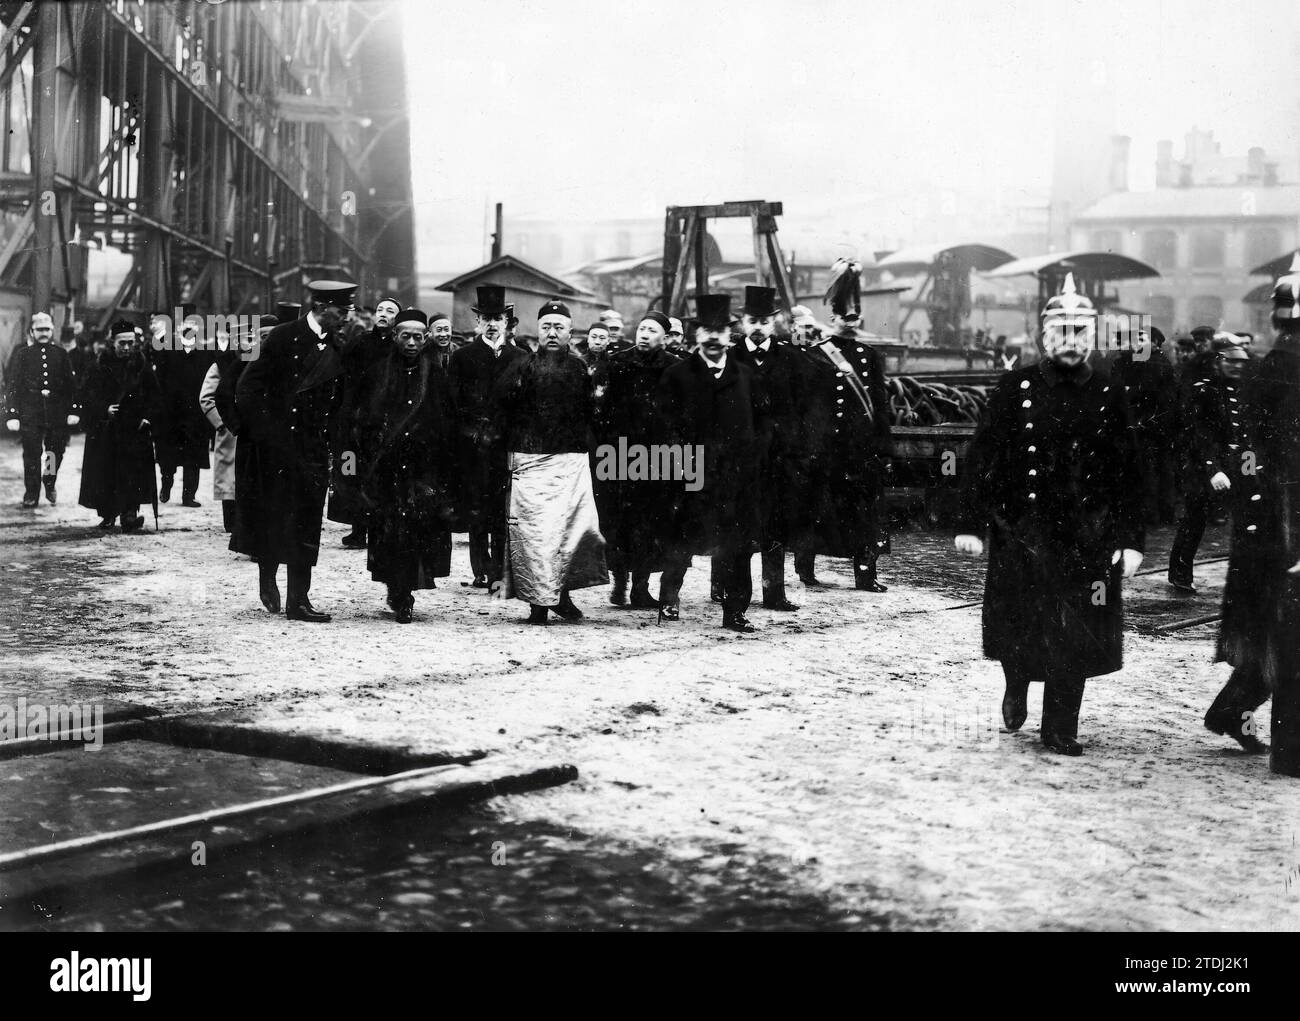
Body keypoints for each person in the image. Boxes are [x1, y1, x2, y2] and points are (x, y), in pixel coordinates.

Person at [955, 274, 1145, 755]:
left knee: (1077, 631)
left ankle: (1059, 727)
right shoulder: (1014, 385)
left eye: (1081, 331)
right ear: (1044, 335)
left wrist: (1131, 538)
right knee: (1018, 625)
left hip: (1086, 535)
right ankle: (1016, 680)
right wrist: (970, 522)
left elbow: (1131, 470)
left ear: (1093, 335)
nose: (1071, 340)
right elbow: (983, 456)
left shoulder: (1108, 391)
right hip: (1023, 530)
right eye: (1061, 331)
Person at [1209, 259, 1300, 763]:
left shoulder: (1271, 366)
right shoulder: (1283, 369)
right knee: (1277, 632)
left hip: (1265, 520)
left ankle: (1232, 712)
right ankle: (1236, 714)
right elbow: (1260, 453)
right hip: (1278, 523)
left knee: (1271, 631)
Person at [230, 280, 353, 622]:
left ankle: (299, 600)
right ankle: (267, 576)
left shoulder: (338, 346)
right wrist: (267, 434)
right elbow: (247, 387)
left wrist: (333, 443)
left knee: (307, 523)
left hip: (312, 448)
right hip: (275, 448)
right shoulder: (281, 337)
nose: (345, 318)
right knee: (272, 519)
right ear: (319, 306)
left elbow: (340, 400)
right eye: (340, 311)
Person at [656, 294, 767, 632]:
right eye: (707, 330)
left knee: (737, 547)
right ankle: (669, 598)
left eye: (720, 331)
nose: (714, 337)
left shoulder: (746, 377)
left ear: (730, 335)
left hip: (735, 479)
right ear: (696, 335)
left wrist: (751, 462)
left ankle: (735, 611)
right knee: (681, 542)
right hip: (690, 473)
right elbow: (663, 424)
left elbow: (764, 425)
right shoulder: (677, 375)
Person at [493, 299, 607, 623]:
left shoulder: (581, 369)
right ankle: (538, 605)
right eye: (547, 327)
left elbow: (592, 415)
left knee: (569, 532)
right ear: (537, 331)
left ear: (571, 332)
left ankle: (562, 597)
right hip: (530, 460)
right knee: (534, 535)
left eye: (559, 327)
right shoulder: (521, 367)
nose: (553, 333)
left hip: (570, 461)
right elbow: (503, 410)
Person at [353, 308, 456, 624]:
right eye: (405, 336)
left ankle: (406, 592)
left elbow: (446, 421)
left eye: (417, 337)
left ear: (425, 339)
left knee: (416, 532)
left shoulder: (436, 375)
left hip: (422, 471)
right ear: (394, 336)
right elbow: (363, 419)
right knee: (390, 532)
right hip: (386, 468)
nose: (411, 342)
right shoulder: (377, 373)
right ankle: (397, 591)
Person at [797, 259, 892, 591]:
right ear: (832, 318)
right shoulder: (817, 354)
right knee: (816, 508)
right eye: (845, 317)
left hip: (859, 449)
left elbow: (880, 406)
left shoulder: (870, 356)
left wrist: (883, 447)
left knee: (864, 514)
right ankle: (805, 567)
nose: (851, 322)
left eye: (856, 317)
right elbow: (806, 405)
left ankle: (866, 574)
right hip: (824, 448)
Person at [447, 284, 528, 588]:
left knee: (503, 507)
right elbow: (453, 403)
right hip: (474, 443)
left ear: (507, 323)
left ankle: (500, 569)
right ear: (477, 322)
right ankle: (480, 569)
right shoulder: (463, 357)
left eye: (498, 318)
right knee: (477, 504)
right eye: (486, 318)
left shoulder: (520, 357)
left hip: (507, 443)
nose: (492, 324)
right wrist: (470, 432)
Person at [597, 311, 678, 608]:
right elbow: (602, 409)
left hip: (656, 456)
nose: (644, 334)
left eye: (652, 330)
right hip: (618, 454)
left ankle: (640, 587)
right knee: (619, 520)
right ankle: (619, 582)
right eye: (641, 328)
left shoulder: (674, 368)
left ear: (665, 338)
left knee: (648, 522)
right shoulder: (617, 363)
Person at [730, 285, 802, 611]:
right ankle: (725, 589)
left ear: (773, 322)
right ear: (742, 322)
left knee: (775, 525)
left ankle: (774, 593)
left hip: (778, 458)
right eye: (751, 320)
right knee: (735, 525)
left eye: (764, 320)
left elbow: (802, 406)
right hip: (741, 459)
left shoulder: (791, 357)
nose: (758, 327)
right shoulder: (730, 357)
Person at [1167, 336, 1251, 592]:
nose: (1236, 367)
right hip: (1203, 468)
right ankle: (1180, 574)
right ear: (1218, 361)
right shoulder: (1204, 391)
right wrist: (1213, 470)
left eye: (1240, 362)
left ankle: (1245, 580)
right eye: (1230, 361)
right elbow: (1199, 435)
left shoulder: (1247, 390)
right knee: (1195, 519)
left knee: (1249, 520)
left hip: (1239, 464)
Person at [331, 295, 401, 548]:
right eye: (380, 309)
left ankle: (380, 530)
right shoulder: (359, 343)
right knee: (354, 474)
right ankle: (358, 529)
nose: (383, 313)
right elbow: (342, 380)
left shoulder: (399, 347)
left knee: (381, 476)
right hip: (357, 421)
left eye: (390, 311)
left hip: (386, 422)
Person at [77, 321, 160, 531]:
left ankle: (130, 515)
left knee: (132, 473)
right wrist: (103, 409)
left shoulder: (142, 365)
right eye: (122, 343)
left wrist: (147, 418)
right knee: (106, 473)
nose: (126, 347)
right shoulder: (98, 365)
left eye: (130, 343)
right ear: (112, 342)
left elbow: (155, 395)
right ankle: (107, 514)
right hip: (107, 430)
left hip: (134, 429)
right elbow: (86, 395)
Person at [5, 312, 79, 507]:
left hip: (56, 412)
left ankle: (49, 479)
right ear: (32, 331)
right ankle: (31, 492)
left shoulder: (61, 354)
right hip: (31, 411)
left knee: (55, 452)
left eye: (47, 329)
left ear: (52, 331)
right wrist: (12, 414)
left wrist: (73, 410)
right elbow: (13, 386)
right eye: (39, 330)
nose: (43, 333)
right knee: (31, 452)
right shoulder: (22, 354)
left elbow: (72, 386)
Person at [1112, 325, 1178, 524]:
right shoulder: (1143, 360)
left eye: (1142, 339)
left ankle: (1153, 514)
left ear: (1155, 343)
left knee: (1151, 470)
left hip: (1151, 425)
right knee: (1158, 469)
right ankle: (1162, 513)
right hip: (1153, 425)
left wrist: (1129, 390)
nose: (1137, 343)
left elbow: (1150, 393)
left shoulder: (1155, 363)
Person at [153, 309, 214, 507]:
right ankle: (166, 483)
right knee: (168, 456)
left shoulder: (205, 354)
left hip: (195, 415)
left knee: (193, 457)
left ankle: (189, 495)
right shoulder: (167, 351)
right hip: (171, 414)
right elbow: (158, 381)